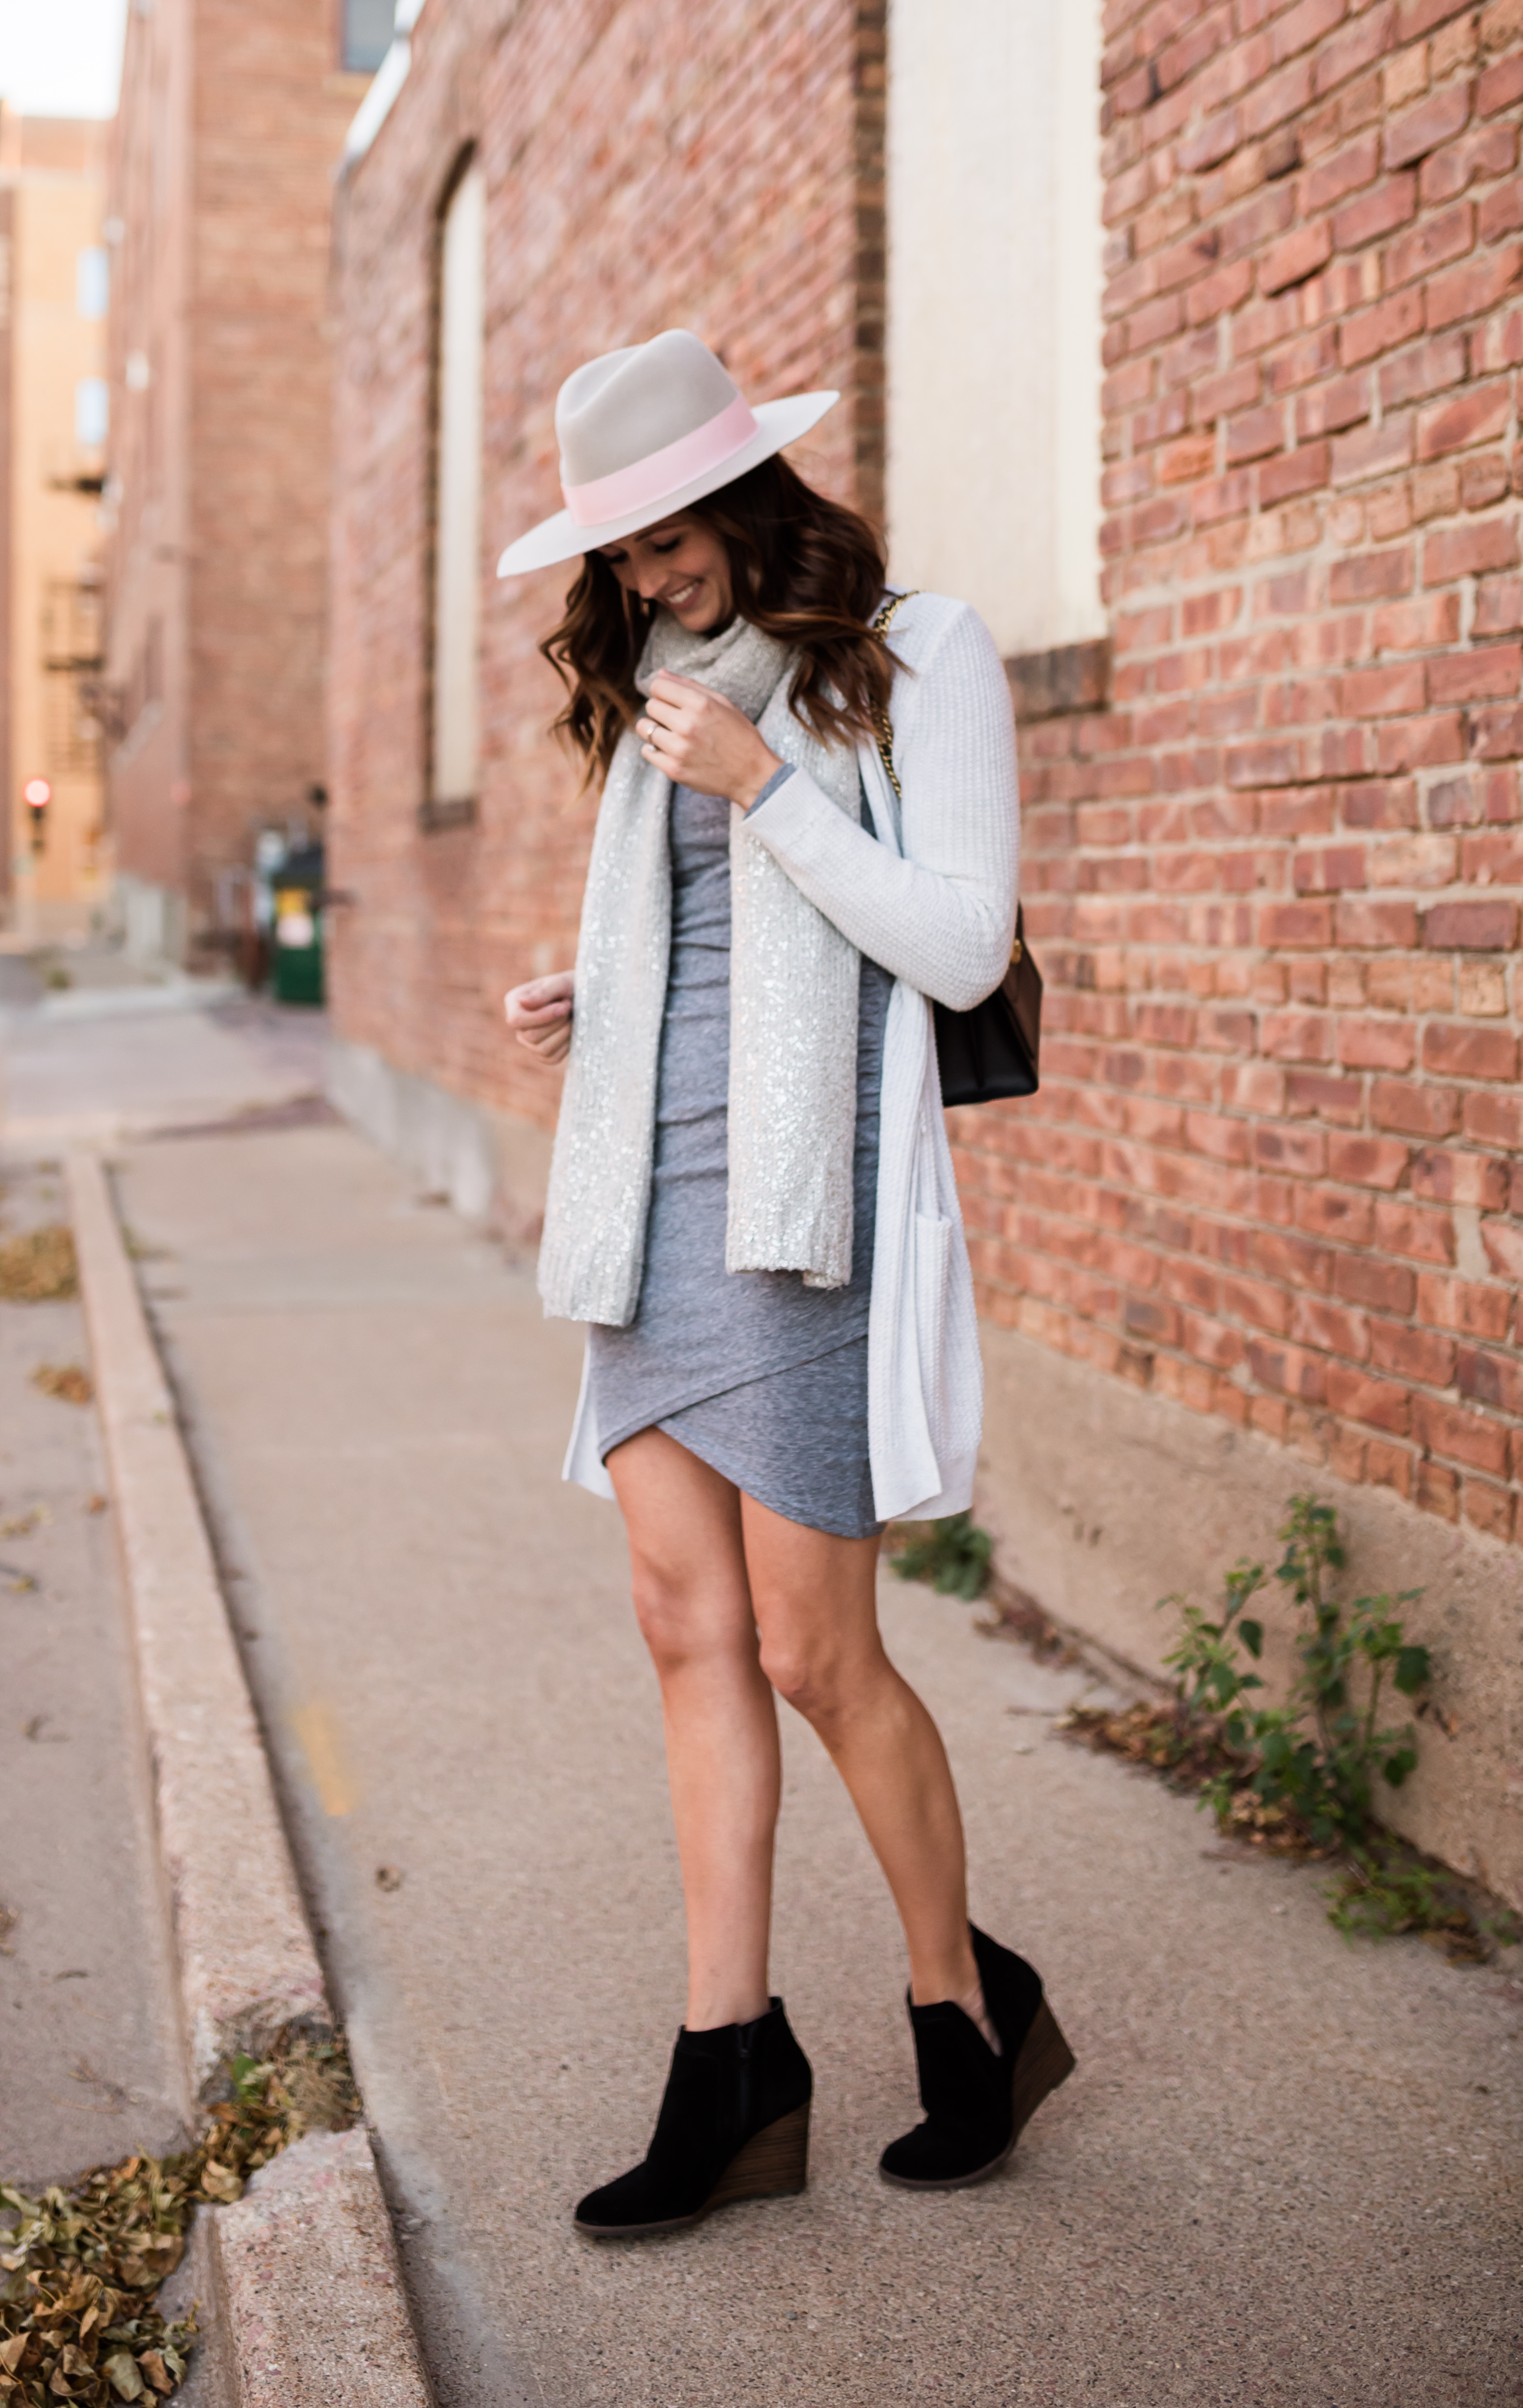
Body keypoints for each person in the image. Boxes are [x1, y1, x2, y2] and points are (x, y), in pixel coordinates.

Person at [495, 328, 1074, 2238]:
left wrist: (762, 784)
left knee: (817, 1649)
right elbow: (722, 939)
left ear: (743, 499)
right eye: (616, 556)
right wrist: (591, 997)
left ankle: (962, 2004)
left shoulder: (919, 650)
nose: (639, 581)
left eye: (659, 540)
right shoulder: (659, 675)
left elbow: (954, 933)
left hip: (795, 1218)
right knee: (684, 1629)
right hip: (644, 1200)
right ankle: (728, 2063)